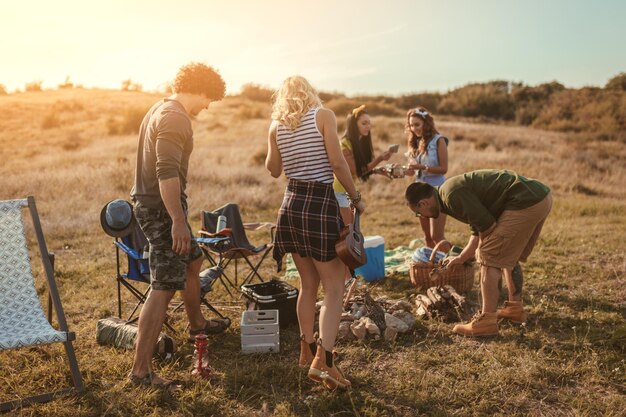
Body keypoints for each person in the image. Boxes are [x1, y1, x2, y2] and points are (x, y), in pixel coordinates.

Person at [128, 62, 226, 388]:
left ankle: (196, 325)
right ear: (200, 90)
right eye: (209, 99)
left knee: (194, 259)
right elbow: (166, 172)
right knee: (164, 286)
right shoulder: (174, 117)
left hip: (158, 207)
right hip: (160, 211)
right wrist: (178, 222)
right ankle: (141, 372)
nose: (208, 106)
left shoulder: (160, 107)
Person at [266, 76, 365, 390]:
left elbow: (273, 169)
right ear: (310, 93)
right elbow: (336, 163)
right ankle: (325, 363)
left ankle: (305, 350)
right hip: (320, 204)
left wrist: (279, 142)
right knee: (334, 288)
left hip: (291, 205)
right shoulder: (323, 115)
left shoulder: (275, 125)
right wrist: (356, 197)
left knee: (307, 284)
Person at [405, 169, 552, 337]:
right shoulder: (448, 195)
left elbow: (487, 227)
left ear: (423, 203)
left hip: (525, 201)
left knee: (489, 258)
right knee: (508, 256)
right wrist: (461, 258)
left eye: (418, 213)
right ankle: (515, 309)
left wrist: (482, 253)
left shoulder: (451, 195)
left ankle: (486, 322)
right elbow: (477, 229)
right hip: (539, 197)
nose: (421, 216)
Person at [333, 105, 392, 225]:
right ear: (354, 125)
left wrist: (377, 170)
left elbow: (360, 169)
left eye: (369, 123)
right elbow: (356, 170)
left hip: (348, 192)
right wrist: (380, 159)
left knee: (352, 231)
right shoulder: (344, 144)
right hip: (338, 192)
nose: (368, 126)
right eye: (364, 123)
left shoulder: (358, 143)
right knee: (348, 232)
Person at [405, 107, 449, 251]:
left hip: (436, 193)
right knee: (427, 237)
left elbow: (444, 168)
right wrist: (408, 170)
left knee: (437, 236)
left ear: (426, 123)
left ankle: (463, 260)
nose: (413, 128)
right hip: (419, 194)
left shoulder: (439, 141)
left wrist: (423, 167)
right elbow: (414, 171)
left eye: (417, 124)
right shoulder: (414, 142)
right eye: (411, 125)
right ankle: (433, 266)